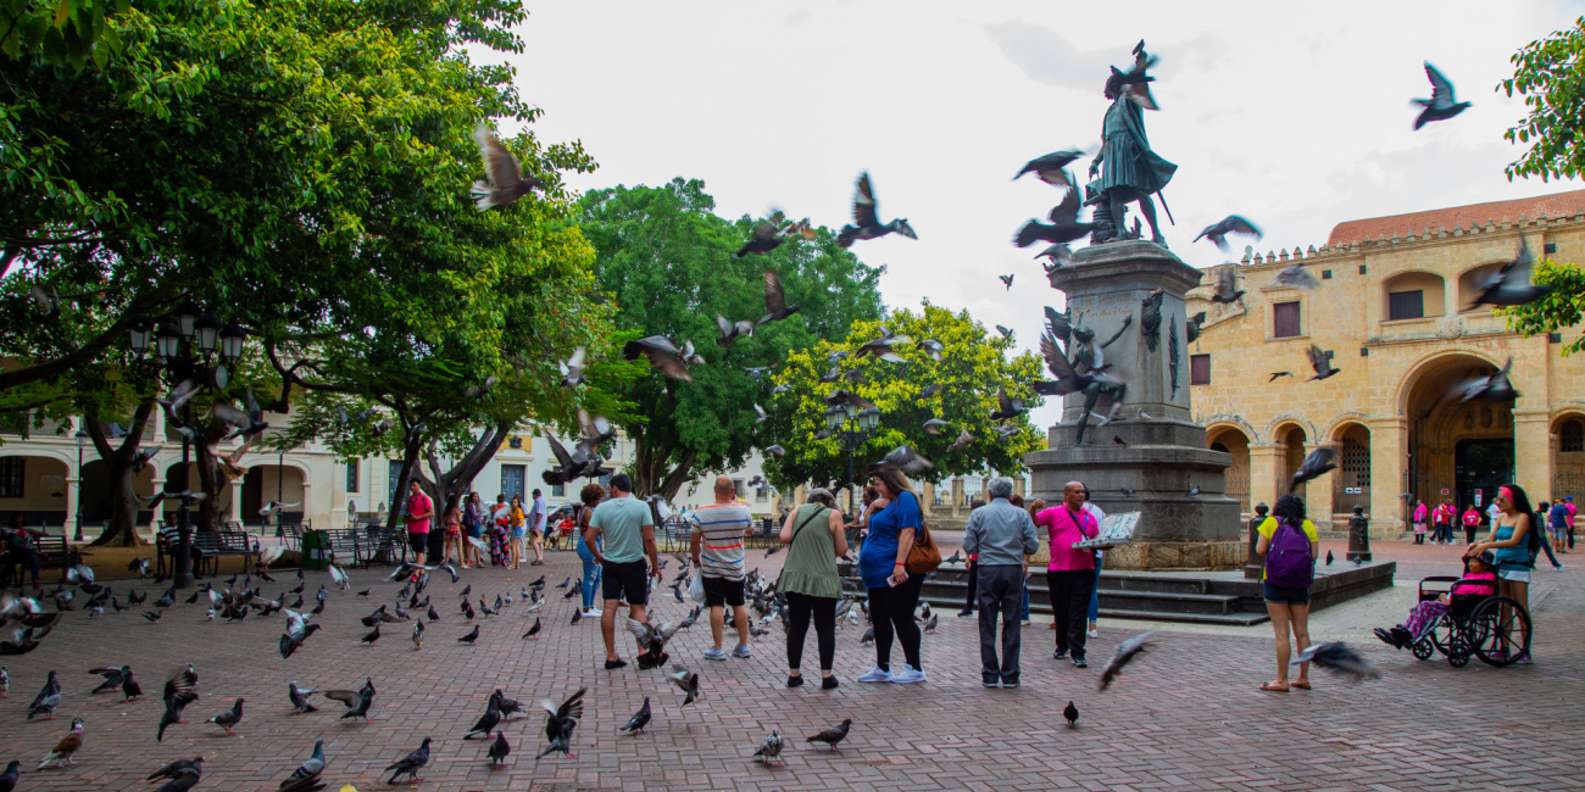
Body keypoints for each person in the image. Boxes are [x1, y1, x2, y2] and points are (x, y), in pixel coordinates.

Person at [962, 478, 1040, 689]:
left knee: (987, 622)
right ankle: (1010, 674)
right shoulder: (1021, 514)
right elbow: (1033, 545)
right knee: (1012, 621)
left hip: (987, 569)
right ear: (1010, 494)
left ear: (989, 493)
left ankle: (989, 674)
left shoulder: (978, 514)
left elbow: (969, 544)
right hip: (1013, 568)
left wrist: (983, 547)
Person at [855, 464, 928, 684]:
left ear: (890, 481)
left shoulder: (906, 499)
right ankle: (882, 667)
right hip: (876, 574)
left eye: (878, 484)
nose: (876, 488)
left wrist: (899, 564)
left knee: (902, 617)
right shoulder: (887, 503)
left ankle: (914, 667)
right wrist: (874, 506)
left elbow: (908, 532)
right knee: (879, 618)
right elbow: (866, 523)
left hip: (895, 571)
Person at [583, 473, 662, 670]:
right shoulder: (641, 506)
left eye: (610, 487)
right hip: (635, 562)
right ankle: (643, 653)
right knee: (638, 608)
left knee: (609, 607)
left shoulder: (602, 508)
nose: (609, 491)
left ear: (616, 488)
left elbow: (589, 538)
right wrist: (655, 565)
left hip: (611, 563)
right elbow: (650, 539)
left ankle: (611, 656)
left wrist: (599, 556)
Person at [776, 488, 848, 689]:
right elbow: (842, 550)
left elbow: (784, 537)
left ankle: (794, 675)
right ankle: (827, 677)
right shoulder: (833, 515)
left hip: (796, 576)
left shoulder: (797, 511)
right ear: (829, 502)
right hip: (824, 577)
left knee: (797, 627)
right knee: (825, 627)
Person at [1255, 494, 1319, 693]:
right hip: (1300, 583)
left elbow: (1259, 550)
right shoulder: (1307, 525)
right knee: (1302, 632)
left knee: (1282, 633)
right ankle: (1303, 677)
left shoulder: (1270, 522)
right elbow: (1314, 555)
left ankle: (1281, 680)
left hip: (1275, 581)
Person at [1467, 484, 1536, 662]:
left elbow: (1514, 541)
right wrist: (1477, 543)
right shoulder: (1501, 517)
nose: (1498, 502)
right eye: (1497, 499)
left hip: (1517, 566)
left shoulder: (1523, 517)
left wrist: (1486, 546)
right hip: (1502, 565)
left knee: (1520, 608)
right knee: (1504, 608)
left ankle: (1525, 649)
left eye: (1502, 499)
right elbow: (1491, 538)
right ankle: (1504, 647)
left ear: (1513, 500)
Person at [1034, 481, 1100, 668]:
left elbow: (1096, 540)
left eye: (1083, 492)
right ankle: (1062, 645)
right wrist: (1032, 508)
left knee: (1078, 612)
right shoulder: (1053, 513)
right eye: (1077, 492)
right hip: (1059, 571)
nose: (1081, 495)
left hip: (1083, 570)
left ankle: (1078, 652)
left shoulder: (1089, 518)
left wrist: (1095, 546)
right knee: (1061, 610)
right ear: (1067, 495)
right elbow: (1035, 521)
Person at [1375, 551, 1498, 650]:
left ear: (1485, 565)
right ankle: (1404, 632)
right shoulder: (1467, 576)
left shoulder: (1488, 577)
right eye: (1470, 561)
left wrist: (1453, 599)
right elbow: (1456, 590)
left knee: (1425, 606)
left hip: (1466, 604)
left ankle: (1409, 634)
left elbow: (1482, 593)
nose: (1470, 564)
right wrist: (1445, 597)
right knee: (1420, 608)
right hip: (1453, 602)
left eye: (1475, 561)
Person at [689, 476, 754, 662]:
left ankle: (718, 648)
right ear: (733, 491)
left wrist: (696, 560)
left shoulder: (701, 512)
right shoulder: (744, 511)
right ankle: (743, 645)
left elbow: (694, 541)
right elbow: (749, 532)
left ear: (715, 491)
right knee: (739, 604)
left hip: (711, 567)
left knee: (716, 606)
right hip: (735, 567)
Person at [574, 484, 605, 617]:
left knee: (597, 577)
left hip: (591, 544)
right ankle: (587, 608)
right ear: (593, 498)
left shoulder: (586, 509)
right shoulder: (588, 511)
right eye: (598, 498)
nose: (600, 501)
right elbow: (596, 528)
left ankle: (591, 606)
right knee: (590, 577)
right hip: (588, 545)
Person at [1082, 487, 1108, 639]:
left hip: (1079, 553)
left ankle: (1080, 624)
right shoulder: (1098, 511)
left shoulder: (1072, 510)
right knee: (1092, 590)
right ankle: (1092, 626)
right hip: (1096, 553)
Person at [956, 498, 987, 618]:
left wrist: (967, 558)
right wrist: (968, 558)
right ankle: (974, 607)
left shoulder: (973, 520)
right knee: (977, 584)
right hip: (981, 557)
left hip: (978, 557)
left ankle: (969, 607)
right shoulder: (978, 520)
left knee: (973, 584)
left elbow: (967, 540)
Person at [1, 514, 42, 591]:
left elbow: (29, 542)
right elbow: (9, 543)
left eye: (20, 520)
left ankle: (35, 580)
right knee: (15, 542)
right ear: (13, 521)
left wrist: (34, 533)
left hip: (23, 554)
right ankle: (38, 554)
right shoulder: (7, 530)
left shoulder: (25, 530)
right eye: (17, 520)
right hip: (12, 553)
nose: (19, 522)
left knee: (32, 556)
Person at [403, 480, 433, 568]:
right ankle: (421, 570)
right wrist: (406, 519)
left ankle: (417, 571)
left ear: (419, 486)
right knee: (417, 550)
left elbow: (431, 513)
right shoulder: (410, 499)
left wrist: (418, 517)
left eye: (414, 485)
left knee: (420, 550)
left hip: (422, 528)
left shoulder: (424, 498)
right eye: (411, 485)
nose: (412, 487)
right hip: (412, 528)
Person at [462, 492, 485, 569]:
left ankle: (477, 561)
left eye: (477, 496)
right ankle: (470, 561)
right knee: (471, 544)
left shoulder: (476, 505)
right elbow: (474, 515)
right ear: (471, 497)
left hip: (476, 526)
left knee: (474, 544)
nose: (476, 498)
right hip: (473, 526)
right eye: (475, 496)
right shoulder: (471, 505)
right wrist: (480, 513)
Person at [528, 488, 548, 566]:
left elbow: (539, 514)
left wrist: (535, 526)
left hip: (538, 526)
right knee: (539, 542)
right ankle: (540, 557)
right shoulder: (542, 501)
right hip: (541, 525)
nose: (532, 496)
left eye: (533, 494)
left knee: (534, 542)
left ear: (535, 494)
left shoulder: (538, 501)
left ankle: (539, 558)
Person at [506, 496, 526, 569]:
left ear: (518, 503)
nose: (513, 503)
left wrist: (513, 524)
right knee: (516, 547)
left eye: (515, 502)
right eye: (513, 502)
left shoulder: (518, 510)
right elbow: (512, 520)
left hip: (517, 528)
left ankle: (513, 564)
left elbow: (519, 520)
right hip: (517, 528)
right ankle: (517, 564)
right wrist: (510, 517)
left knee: (513, 547)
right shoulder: (514, 511)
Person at [442, 503, 464, 567]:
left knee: (448, 547)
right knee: (459, 547)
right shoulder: (456, 510)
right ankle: (462, 563)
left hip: (448, 528)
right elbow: (459, 520)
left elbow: (444, 520)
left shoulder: (446, 510)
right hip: (456, 528)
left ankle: (446, 562)